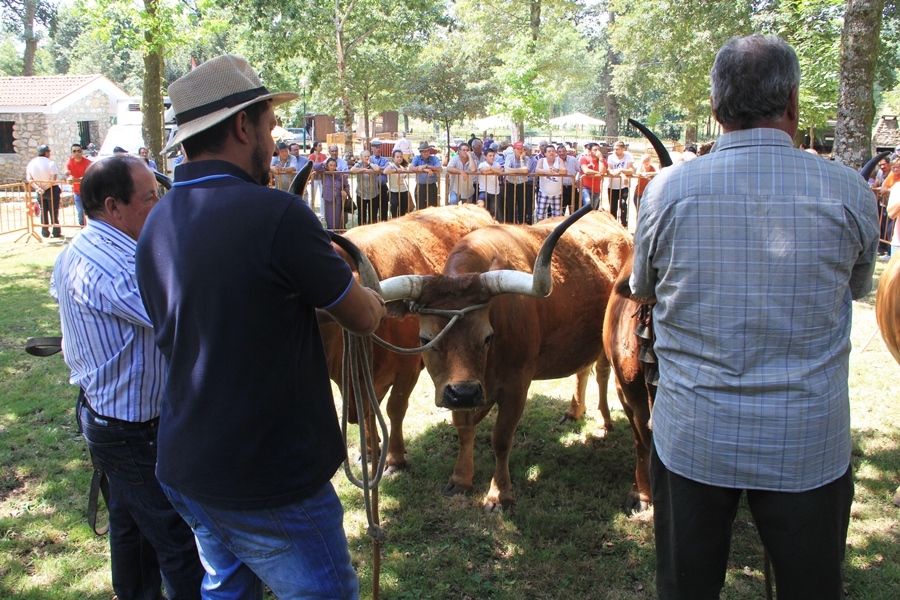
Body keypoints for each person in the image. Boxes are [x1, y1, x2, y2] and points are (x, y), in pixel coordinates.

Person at [630, 35, 879, 600]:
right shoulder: (848, 191)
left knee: (686, 590)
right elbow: (855, 286)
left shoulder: (666, 192)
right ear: (792, 103)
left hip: (695, 434)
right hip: (807, 440)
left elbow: (642, 288)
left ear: (715, 109)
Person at [134, 54, 387, 599]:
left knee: (226, 589)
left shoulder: (156, 220)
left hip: (187, 467)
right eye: (271, 126)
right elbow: (363, 317)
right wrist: (373, 298)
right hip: (269, 477)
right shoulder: (279, 215)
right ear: (244, 125)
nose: (275, 142)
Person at [51, 155, 204, 600]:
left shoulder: (83, 250)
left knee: (131, 523)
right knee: (177, 539)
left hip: (109, 416)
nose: (160, 206)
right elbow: (183, 317)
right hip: (131, 429)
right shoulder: (117, 265)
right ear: (113, 207)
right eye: (151, 198)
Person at [26, 144, 62, 238]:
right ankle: (56, 231)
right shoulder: (51, 163)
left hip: (39, 189)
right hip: (51, 189)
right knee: (54, 211)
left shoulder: (31, 163)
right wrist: (45, 187)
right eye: (49, 151)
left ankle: (45, 232)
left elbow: (29, 178)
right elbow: (53, 179)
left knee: (43, 211)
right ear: (46, 152)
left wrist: (38, 188)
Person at [315, 156, 351, 228]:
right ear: (327, 166)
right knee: (330, 220)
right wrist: (323, 163)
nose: (332, 167)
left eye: (334, 165)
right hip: (328, 200)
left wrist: (345, 192)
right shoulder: (324, 173)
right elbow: (315, 167)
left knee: (339, 220)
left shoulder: (340, 174)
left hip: (338, 200)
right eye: (330, 165)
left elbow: (347, 186)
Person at [502, 141, 533, 223]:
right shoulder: (509, 157)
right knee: (510, 207)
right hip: (511, 185)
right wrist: (520, 170)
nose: (520, 151)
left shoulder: (527, 158)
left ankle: (522, 225)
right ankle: (511, 225)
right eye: (518, 149)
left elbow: (526, 170)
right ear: (514, 149)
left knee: (523, 208)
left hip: (523, 185)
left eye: (521, 149)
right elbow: (507, 170)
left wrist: (521, 159)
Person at [533, 144, 566, 221]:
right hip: (544, 193)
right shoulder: (541, 160)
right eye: (549, 151)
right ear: (545, 153)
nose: (551, 153)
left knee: (557, 218)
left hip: (557, 193)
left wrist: (556, 170)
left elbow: (564, 171)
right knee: (540, 216)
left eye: (553, 151)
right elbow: (537, 170)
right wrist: (546, 171)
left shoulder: (559, 160)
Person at [350, 149, 382, 224]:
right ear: (361, 157)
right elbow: (352, 170)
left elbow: (377, 169)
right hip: (361, 194)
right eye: (365, 156)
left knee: (373, 215)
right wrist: (364, 169)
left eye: (368, 156)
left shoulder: (373, 164)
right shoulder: (359, 165)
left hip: (373, 194)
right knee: (361, 215)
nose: (367, 158)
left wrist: (369, 164)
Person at [606, 140, 634, 226]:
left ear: (623, 149)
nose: (615, 151)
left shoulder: (628, 156)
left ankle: (624, 224)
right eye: (614, 149)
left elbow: (631, 170)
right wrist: (621, 174)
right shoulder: (611, 157)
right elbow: (610, 170)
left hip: (623, 186)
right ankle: (613, 225)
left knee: (623, 204)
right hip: (612, 186)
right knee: (613, 207)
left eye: (617, 149)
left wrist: (621, 170)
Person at [64, 142, 91, 227]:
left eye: (79, 151)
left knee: (90, 213)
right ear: (71, 153)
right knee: (80, 212)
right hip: (77, 192)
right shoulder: (69, 162)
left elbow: (87, 177)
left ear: (82, 152)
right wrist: (69, 177)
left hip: (88, 192)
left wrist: (75, 179)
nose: (77, 153)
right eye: (74, 151)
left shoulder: (88, 162)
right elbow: (67, 172)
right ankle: (82, 228)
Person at [411, 140, 442, 209]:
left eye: (427, 151)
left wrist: (427, 166)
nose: (426, 153)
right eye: (424, 151)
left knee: (432, 207)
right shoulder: (417, 158)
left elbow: (440, 169)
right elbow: (411, 168)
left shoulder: (434, 158)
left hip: (432, 186)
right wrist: (424, 169)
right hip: (420, 186)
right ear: (420, 152)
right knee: (420, 207)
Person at [476, 146, 503, 216]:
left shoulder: (496, 164)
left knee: (493, 211)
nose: (492, 157)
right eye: (490, 156)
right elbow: (483, 171)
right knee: (481, 204)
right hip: (484, 190)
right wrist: (494, 170)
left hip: (495, 191)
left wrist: (490, 168)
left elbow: (500, 171)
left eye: (493, 155)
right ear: (485, 156)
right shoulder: (482, 164)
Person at [385, 148, 412, 217]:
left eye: (400, 157)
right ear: (393, 158)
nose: (399, 158)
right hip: (394, 191)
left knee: (403, 210)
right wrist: (396, 170)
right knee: (394, 207)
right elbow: (385, 171)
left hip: (403, 190)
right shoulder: (391, 166)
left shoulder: (403, 167)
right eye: (397, 157)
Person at [368, 139, 390, 221]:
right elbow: (369, 169)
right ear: (372, 149)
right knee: (373, 210)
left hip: (383, 187)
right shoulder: (369, 159)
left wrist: (376, 169)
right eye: (376, 147)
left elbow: (386, 169)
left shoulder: (385, 159)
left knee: (384, 209)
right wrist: (381, 169)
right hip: (372, 188)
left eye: (379, 147)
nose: (378, 149)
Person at [580, 142, 606, 210]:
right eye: (595, 150)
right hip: (585, 188)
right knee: (587, 205)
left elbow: (602, 172)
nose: (597, 152)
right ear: (589, 151)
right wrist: (598, 173)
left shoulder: (602, 160)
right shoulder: (584, 158)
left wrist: (600, 158)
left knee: (593, 210)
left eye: (598, 150)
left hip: (596, 189)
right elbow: (586, 170)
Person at [557, 144, 580, 215]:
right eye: (559, 152)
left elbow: (580, 170)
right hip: (560, 188)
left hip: (572, 187)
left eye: (563, 151)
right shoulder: (555, 160)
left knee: (574, 210)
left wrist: (579, 180)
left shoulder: (573, 160)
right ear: (557, 153)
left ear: (566, 152)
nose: (562, 153)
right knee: (561, 210)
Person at [308, 141, 327, 215]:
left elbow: (325, 165)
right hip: (314, 178)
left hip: (322, 178)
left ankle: (323, 214)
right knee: (312, 197)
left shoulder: (324, 156)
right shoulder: (311, 156)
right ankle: (310, 213)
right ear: (315, 147)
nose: (321, 147)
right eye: (319, 145)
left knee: (322, 197)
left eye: (321, 145)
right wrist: (316, 158)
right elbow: (313, 166)